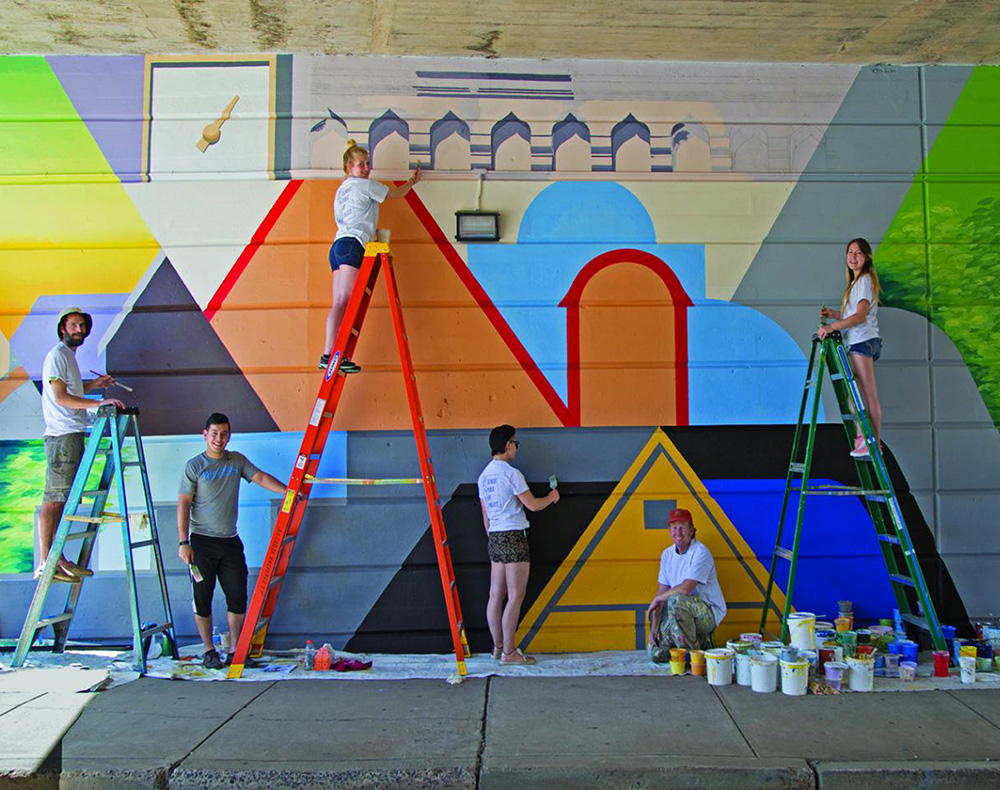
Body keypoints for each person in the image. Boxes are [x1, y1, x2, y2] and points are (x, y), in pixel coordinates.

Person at [177, 412, 288, 669]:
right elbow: (183, 505)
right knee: (202, 598)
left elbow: (259, 477)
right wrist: (184, 543)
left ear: (229, 436)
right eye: (214, 433)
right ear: (205, 435)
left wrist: (288, 491)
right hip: (201, 544)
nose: (219, 438)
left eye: (224, 433)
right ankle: (209, 651)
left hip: (230, 543)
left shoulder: (236, 460)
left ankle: (236, 650)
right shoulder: (194, 466)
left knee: (237, 597)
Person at [320, 139, 422, 372]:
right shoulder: (363, 186)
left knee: (338, 302)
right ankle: (331, 355)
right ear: (349, 168)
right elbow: (396, 194)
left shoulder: (342, 190)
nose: (366, 169)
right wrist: (412, 182)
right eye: (360, 165)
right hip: (353, 245)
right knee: (346, 302)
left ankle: (332, 353)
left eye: (367, 164)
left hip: (338, 247)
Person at [38, 307, 124, 583]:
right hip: (62, 437)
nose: (79, 330)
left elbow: (70, 392)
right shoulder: (57, 356)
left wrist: (95, 385)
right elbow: (61, 398)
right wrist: (99, 403)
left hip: (72, 434)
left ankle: (57, 559)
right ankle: (45, 562)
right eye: (74, 325)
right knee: (53, 499)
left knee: (63, 499)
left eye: (83, 326)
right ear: (63, 328)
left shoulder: (68, 358)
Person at [477, 424, 559, 665]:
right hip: (514, 536)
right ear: (507, 445)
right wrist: (552, 498)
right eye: (515, 443)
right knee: (515, 597)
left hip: (495, 536)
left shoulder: (484, 476)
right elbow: (533, 505)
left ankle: (497, 646)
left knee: (495, 595)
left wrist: (494, 537)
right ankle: (510, 653)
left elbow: (486, 517)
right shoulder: (512, 474)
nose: (516, 448)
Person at [818, 237, 882, 458]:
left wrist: (833, 326)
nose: (853, 257)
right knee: (858, 395)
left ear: (866, 258)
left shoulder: (864, 280)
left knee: (866, 395)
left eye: (858, 253)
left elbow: (860, 316)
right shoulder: (855, 283)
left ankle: (870, 441)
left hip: (861, 341)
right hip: (861, 340)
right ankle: (865, 440)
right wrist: (835, 315)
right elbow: (853, 313)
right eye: (850, 252)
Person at [646, 508, 726, 660]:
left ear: (691, 530)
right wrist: (653, 630)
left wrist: (659, 599)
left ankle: (693, 657)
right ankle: (701, 643)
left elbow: (685, 589)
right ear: (669, 531)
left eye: (682, 528)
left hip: (708, 613)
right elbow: (660, 597)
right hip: (680, 613)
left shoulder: (700, 552)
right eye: (674, 528)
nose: (678, 532)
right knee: (655, 653)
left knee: (676, 601)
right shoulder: (667, 555)